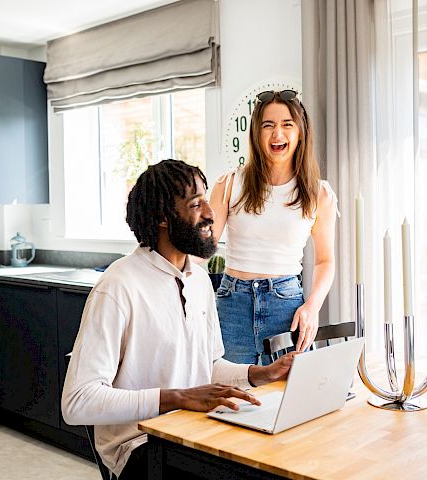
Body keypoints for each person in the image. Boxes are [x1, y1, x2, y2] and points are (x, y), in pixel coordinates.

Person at [61, 159, 295, 480]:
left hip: (194, 432)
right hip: (142, 446)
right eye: (195, 204)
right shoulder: (118, 285)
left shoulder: (198, 281)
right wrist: (177, 398)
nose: (211, 213)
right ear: (161, 217)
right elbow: (77, 402)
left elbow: (207, 367)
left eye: (206, 201)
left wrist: (260, 374)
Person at [210, 89, 338, 365]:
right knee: (230, 397)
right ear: (256, 134)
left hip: (286, 309)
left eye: (286, 125)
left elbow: (325, 261)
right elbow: (200, 251)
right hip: (232, 305)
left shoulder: (318, 194)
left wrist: (312, 307)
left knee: (287, 400)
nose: (277, 134)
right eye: (267, 126)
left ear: (300, 132)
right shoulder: (229, 184)